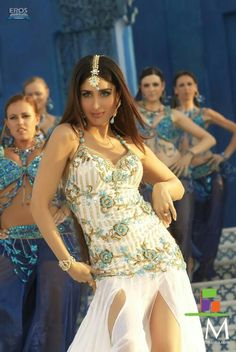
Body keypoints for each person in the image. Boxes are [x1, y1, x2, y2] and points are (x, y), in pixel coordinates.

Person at [31, 55, 206, 352]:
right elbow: (38, 205)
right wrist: (68, 262)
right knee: (129, 346)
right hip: (112, 268)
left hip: (160, 256)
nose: (96, 104)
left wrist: (162, 189)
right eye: (87, 94)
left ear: (119, 98)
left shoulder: (129, 142)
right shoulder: (67, 136)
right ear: (77, 96)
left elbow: (174, 184)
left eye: (104, 93)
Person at [0, 94, 85, 352]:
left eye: (25, 116)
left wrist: (67, 208)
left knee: (52, 316)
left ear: (38, 118)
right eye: (13, 118)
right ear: (6, 123)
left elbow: (83, 186)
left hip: (53, 240)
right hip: (10, 244)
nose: (20, 122)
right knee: (10, 323)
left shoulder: (55, 150)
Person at [135, 66, 215, 275]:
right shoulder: (131, 113)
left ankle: (187, 287)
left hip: (177, 181)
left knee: (181, 233)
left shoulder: (174, 114)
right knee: (157, 236)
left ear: (162, 87)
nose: (151, 89)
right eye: (146, 85)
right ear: (140, 88)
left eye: (155, 84)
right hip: (146, 185)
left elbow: (208, 139)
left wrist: (189, 154)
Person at [172, 70, 236, 281]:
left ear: (196, 88)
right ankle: (193, 266)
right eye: (181, 85)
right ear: (174, 90)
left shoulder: (205, 114)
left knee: (213, 222)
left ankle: (208, 269)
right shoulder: (170, 116)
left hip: (210, 172)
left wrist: (224, 156)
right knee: (189, 225)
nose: (186, 88)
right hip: (186, 176)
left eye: (189, 83)